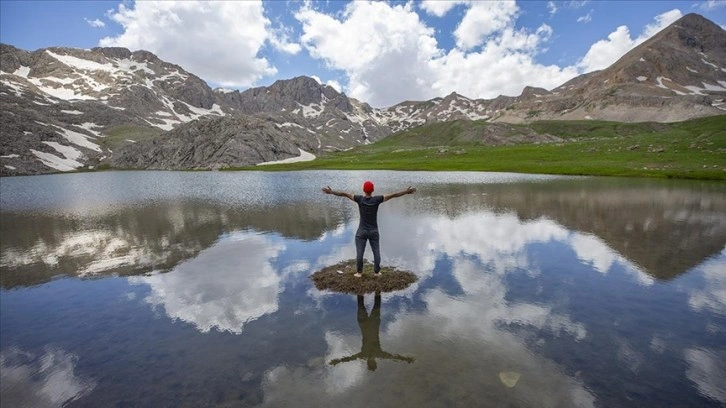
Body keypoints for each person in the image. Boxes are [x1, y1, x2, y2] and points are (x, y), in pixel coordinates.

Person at [322, 181, 416, 277]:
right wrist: (406, 192)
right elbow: (394, 195)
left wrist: (331, 192)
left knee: (360, 252)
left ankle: (359, 273)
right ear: (373, 190)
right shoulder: (377, 199)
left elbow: (344, 194)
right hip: (374, 231)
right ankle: (377, 272)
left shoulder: (359, 199)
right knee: (376, 251)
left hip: (361, 231)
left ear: (363, 190)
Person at [329, 293, 414, 371]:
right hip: (374, 324)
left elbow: (351, 358)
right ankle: (377, 286)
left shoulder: (364, 355)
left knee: (361, 304)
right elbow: (392, 357)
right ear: (375, 362)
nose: (371, 362)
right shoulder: (379, 354)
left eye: (370, 363)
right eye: (373, 363)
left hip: (364, 324)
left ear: (368, 363)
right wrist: (405, 359)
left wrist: (338, 361)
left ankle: (361, 286)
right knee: (376, 304)